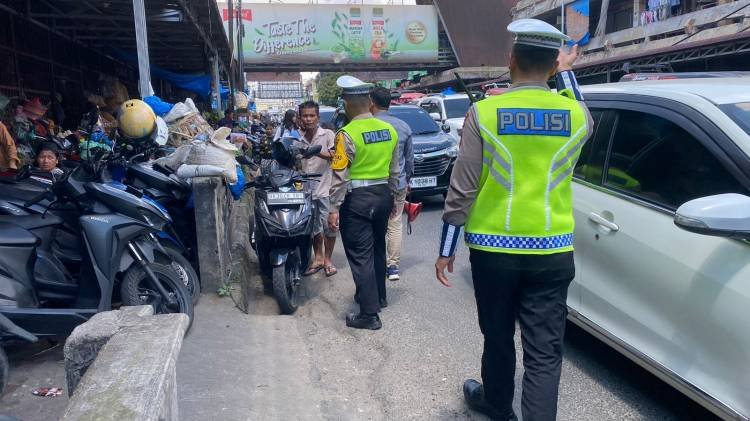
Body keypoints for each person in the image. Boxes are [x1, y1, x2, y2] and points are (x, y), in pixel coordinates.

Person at [434, 19, 594, 421]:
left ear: (511, 60)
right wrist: (569, 73)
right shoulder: (576, 116)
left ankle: (498, 407)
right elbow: (583, 112)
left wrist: (446, 249)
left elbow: (463, 188)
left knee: (498, 337)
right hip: (553, 250)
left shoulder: (484, 113)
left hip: (494, 252)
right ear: (554, 67)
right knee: (544, 352)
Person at [328, 75, 400, 330]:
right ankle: (379, 296)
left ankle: (369, 315)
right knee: (377, 248)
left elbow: (339, 175)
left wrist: (333, 208)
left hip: (357, 200)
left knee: (360, 255)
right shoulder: (388, 130)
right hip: (382, 196)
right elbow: (395, 170)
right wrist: (394, 198)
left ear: (346, 103)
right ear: (369, 102)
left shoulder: (346, 134)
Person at [369, 87, 414, 282]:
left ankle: (373, 264)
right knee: (394, 224)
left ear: (372, 102)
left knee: (372, 224)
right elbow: (409, 160)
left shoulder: (367, 125)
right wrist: (407, 180)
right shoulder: (403, 126)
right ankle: (392, 266)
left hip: (371, 185)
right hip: (398, 184)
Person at [297, 101, 339, 278]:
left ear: (318, 117)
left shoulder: (328, 134)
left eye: (311, 115)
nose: (308, 119)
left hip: (325, 189)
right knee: (313, 228)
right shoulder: (297, 138)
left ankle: (328, 260)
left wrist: (315, 152)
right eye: (305, 116)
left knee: (329, 227)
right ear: (300, 118)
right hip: (306, 192)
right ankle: (318, 258)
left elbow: (336, 156)